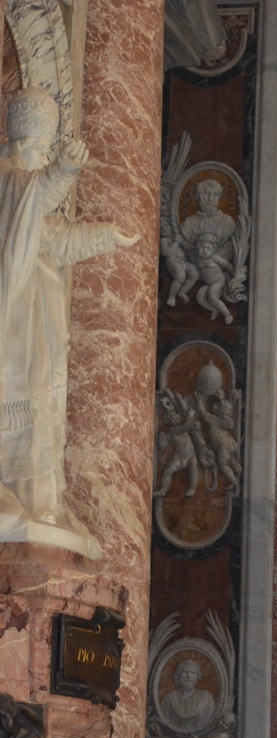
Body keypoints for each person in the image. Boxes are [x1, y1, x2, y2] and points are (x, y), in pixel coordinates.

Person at [0, 87, 139, 541]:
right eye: (41, 150)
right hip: (13, 320)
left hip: (38, 321)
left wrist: (105, 235)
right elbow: (31, 198)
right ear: (23, 141)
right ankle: (19, 503)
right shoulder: (7, 179)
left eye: (46, 152)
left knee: (42, 408)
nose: (42, 159)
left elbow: (58, 239)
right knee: (22, 408)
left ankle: (42, 507)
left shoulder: (24, 187)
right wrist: (61, 170)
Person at [160, 658, 216, 733]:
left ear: (198, 676)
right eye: (184, 672)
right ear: (178, 675)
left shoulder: (207, 698)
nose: (188, 675)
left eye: (192, 672)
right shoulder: (168, 699)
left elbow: (211, 722)